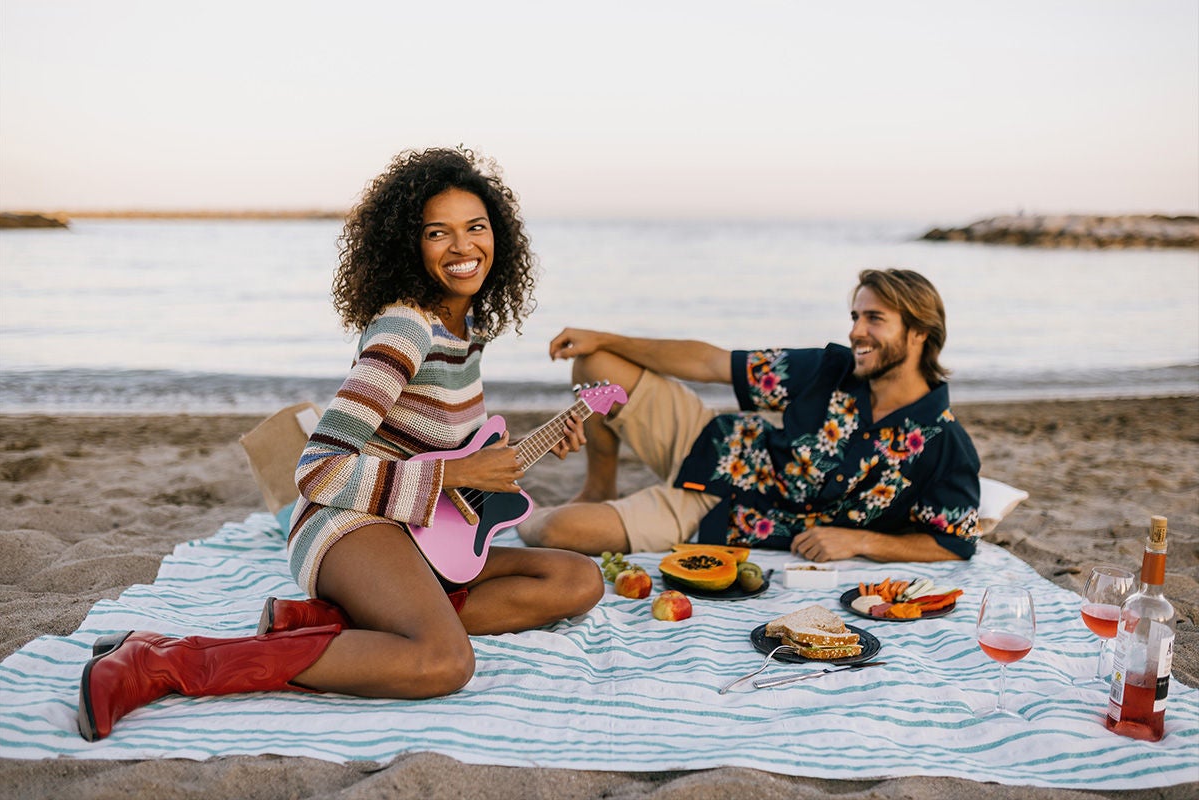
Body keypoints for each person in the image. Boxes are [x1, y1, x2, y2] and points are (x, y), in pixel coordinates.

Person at [77, 147, 604, 742]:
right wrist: (458, 478)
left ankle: (328, 625)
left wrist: (511, 458)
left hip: (425, 533)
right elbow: (319, 469)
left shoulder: (469, 329)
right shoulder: (406, 329)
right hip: (348, 523)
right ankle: (165, 661)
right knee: (443, 661)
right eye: (439, 233)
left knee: (579, 581)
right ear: (410, 244)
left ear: (498, 235)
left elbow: (445, 453)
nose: (463, 247)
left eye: (475, 227)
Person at [518, 268, 980, 563]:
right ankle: (600, 487)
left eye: (874, 319)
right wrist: (602, 337)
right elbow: (712, 364)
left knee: (553, 530)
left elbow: (954, 541)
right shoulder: (830, 368)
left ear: (919, 333)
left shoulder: (944, 444)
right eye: (855, 316)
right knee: (596, 366)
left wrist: (859, 541)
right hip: (706, 441)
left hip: (717, 514)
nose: (855, 330)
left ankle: (512, 512)